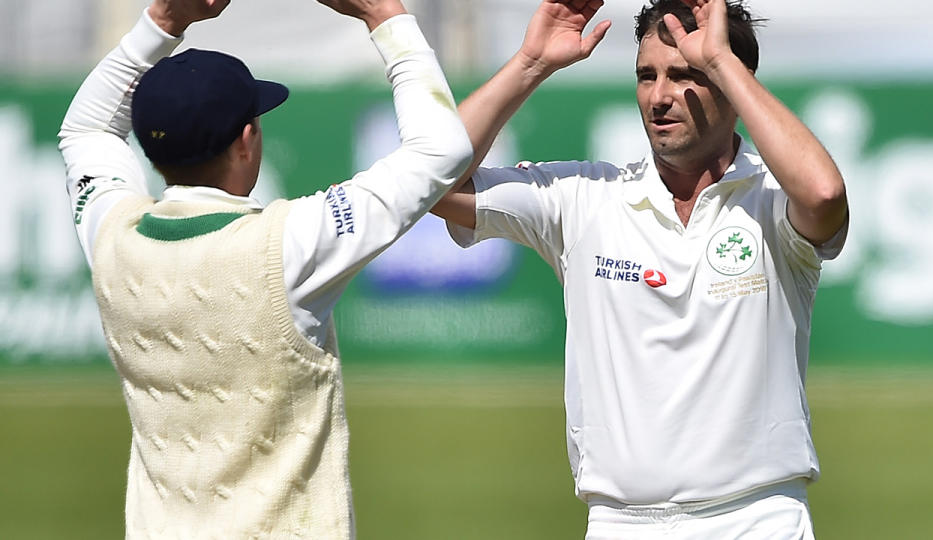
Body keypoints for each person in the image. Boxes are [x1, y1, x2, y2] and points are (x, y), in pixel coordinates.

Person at [431, 0, 848, 537]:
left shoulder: (772, 200)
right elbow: (430, 184)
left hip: (758, 518)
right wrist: (531, 63)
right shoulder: (584, 198)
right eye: (646, 76)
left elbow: (824, 192)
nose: (659, 97)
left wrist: (721, 60)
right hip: (620, 522)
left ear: (733, 82)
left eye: (684, 76)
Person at [58, 0, 471, 537]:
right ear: (247, 141)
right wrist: (384, 15)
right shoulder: (289, 244)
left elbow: (86, 131)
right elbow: (442, 150)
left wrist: (159, 23)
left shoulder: (112, 236)